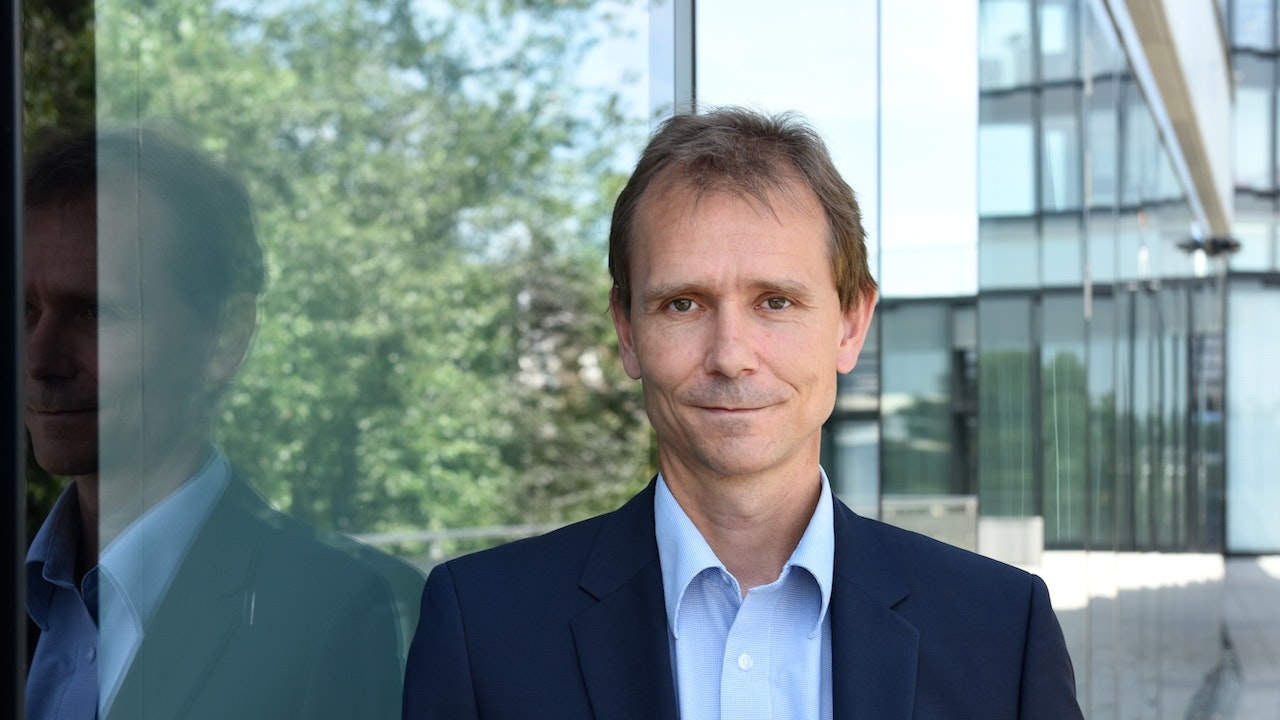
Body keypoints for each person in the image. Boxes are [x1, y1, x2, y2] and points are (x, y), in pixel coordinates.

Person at [402, 108, 1084, 719]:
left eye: (775, 303)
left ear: (851, 324)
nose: (731, 356)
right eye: (684, 304)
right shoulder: (483, 628)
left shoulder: (1001, 631)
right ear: (628, 331)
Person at [23, 126, 419, 720]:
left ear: (225, 336)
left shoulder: (351, 610)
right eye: (23, 311)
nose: (39, 358)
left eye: (95, 311)